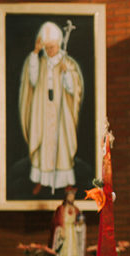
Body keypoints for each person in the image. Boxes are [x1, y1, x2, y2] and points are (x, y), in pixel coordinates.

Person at [19, 20, 84, 195]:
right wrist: (35, 53)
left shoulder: (67, 63)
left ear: (58, 44)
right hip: (43, 109)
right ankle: (42, 180)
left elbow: (73, 89)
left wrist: (66, 75)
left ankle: (65, 182)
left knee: (61, 143)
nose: (50, 51)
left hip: (60, 112)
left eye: (52, 47)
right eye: (47, 48)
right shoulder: (39, 62)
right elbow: (32, 80)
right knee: (44, 143)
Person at [50, 185, 87, 256]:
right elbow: (55, 224)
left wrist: (80, 226)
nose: (72, 198)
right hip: (63, 236)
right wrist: (60, 229)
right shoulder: (60, 209)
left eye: (73, 196)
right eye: (70, 195)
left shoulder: (76, 210)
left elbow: (80, 224)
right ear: (66, 196)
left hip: (73, 236)